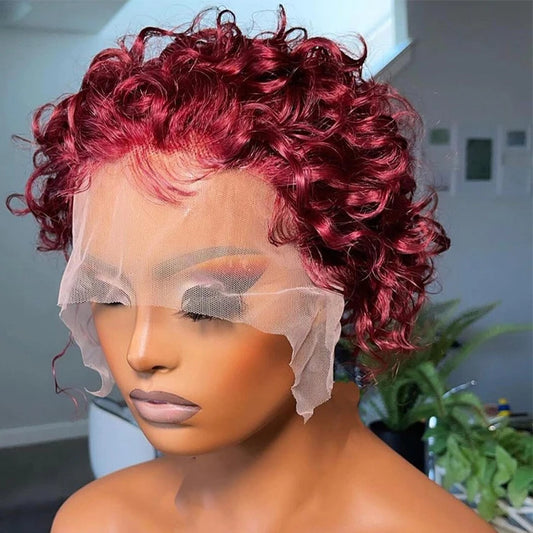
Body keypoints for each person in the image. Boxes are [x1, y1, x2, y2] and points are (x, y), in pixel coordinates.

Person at [7, 8, 495, 532]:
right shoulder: (96, 522)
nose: (140, 353)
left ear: (335, 281)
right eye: (110, 296)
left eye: (205, 306)